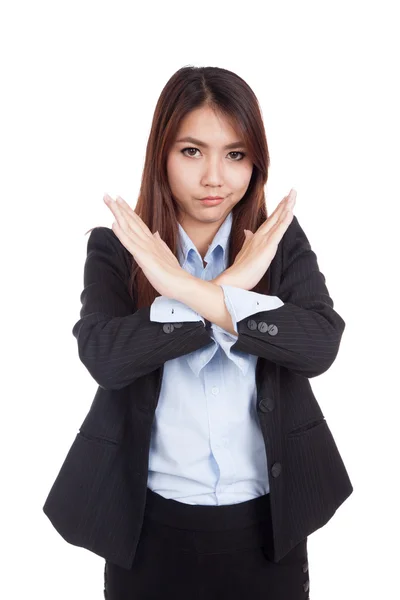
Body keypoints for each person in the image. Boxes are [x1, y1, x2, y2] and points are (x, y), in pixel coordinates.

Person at [43, 65, 353, 600]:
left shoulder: (276, 241)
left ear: (255, 161)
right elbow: (105, 358)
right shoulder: (118, 247)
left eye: (235, 154)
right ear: (161, 153)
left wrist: (185, 289)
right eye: (192, 151)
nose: (215, 177)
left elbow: (319, 342)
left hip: (266, 529)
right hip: (149, 530)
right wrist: (222, 290)